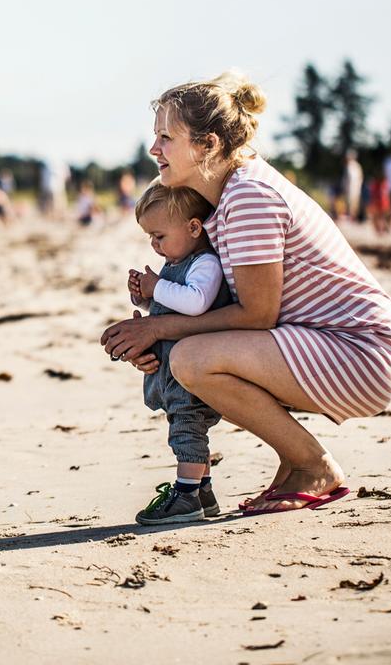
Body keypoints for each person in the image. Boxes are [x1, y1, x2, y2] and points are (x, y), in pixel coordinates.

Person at [101, 72, 391, 515]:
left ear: (207, 145)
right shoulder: (221, 196)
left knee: (194, 360)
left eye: (166, 138)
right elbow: (214, 302)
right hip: (320, 342)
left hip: (361, 351)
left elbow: (258, 313)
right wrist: (156, 335)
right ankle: (295, 463)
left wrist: (160, 329)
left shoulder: (248, 196)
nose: (154, 150)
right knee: (186, 354)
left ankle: (312, 465)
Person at [127, 181, 231, 524]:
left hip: (190, 369)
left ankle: (186, 495)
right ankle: (202, 491)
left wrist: (157, 285)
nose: (155, 245)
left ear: (193, 227)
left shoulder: (205, 264)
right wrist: (144, 297)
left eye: (160, 236)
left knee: (187, 427)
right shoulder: (177, 262)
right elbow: (169, 303)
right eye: (150, 239)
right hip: (171, 371)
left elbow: (196, 302)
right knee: (182, 422)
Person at [338, 149, 363, 221]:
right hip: (351, 188)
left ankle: (353, 217)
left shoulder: (355, 166)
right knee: (350, 203)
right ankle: (351, 217)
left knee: (353, 204)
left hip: (354, 188)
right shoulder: (349, 166)